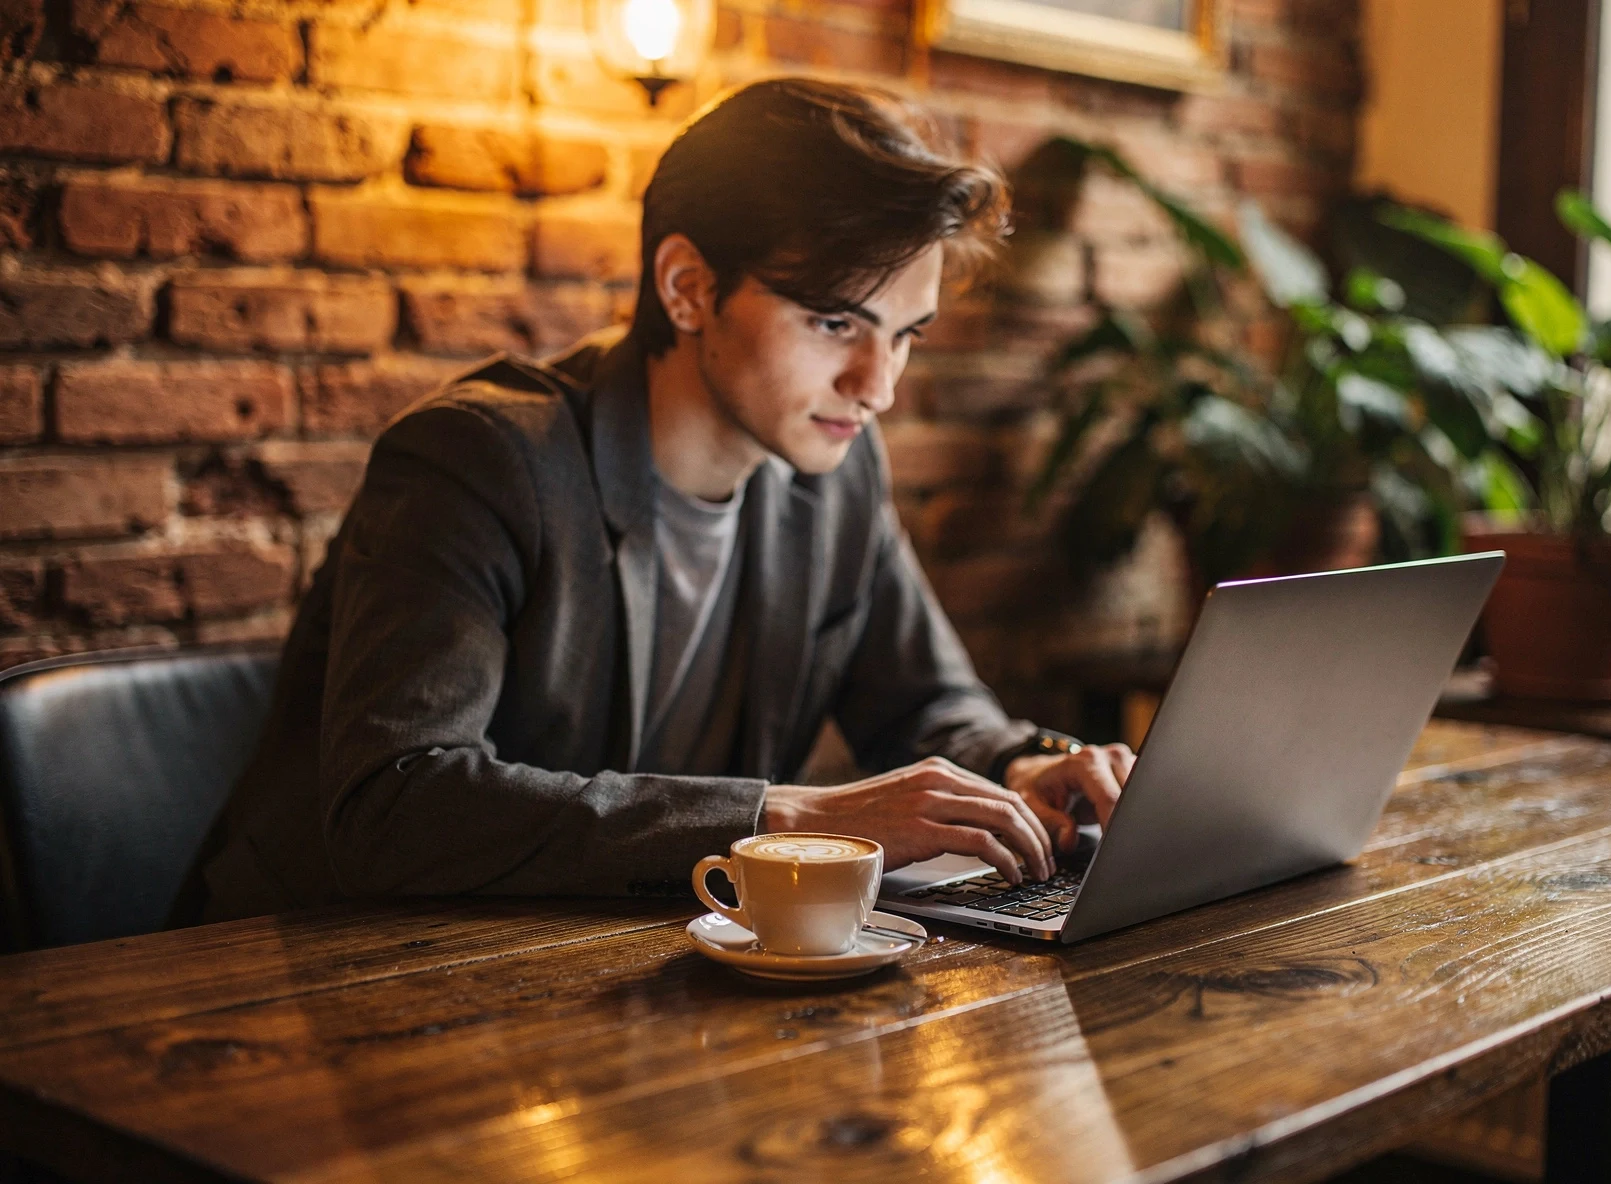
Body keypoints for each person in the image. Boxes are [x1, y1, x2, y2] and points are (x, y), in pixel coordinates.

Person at [193, 76, 1136, 922]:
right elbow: (397, 804)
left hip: (595, 985)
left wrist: (1028, 765)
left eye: (905, 335)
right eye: (834, 321)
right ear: (688, 288)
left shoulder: (837, 467)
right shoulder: (479, 459)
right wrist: (785, 816)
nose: (876, 384)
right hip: (308, 976)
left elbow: (928, 710)